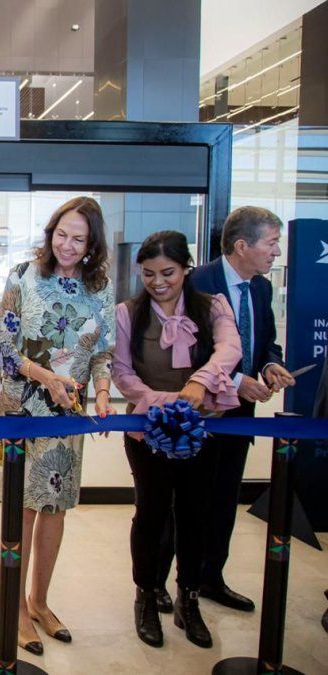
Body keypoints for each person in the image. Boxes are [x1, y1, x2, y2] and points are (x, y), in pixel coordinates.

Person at [0, 196, 115, 655]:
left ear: (91, 244)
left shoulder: (99, 286)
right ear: (51, 234)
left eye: (78, 238)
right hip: (22, 406)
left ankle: (40, 601)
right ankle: (17, 609)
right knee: (22, 506)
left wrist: (102, 394)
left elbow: (103, 352)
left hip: (70, 411)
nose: (67, 244)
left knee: (56, 507)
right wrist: (46, 378)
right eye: (61, 234)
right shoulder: (24, 276)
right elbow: (3, 347)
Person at [112, 230, 242, 649]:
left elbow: (230, 348)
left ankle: (189, 598)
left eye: (168, 272)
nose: (158, 281)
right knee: (150, 512)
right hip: (147, 429)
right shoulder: (128, 313)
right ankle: (146, 595)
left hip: (203, 427)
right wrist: (159, 401)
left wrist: (200, 383)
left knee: (194, 513)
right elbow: (121, 370)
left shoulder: (212, 307)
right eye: (148, 274)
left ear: (186, 268)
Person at [188, 206, 293, 612]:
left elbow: (264, 340)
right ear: (242, 245)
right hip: (200, 412)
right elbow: (184, 354)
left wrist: (269, 365)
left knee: (223, 501)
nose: (276, 253)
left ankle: (212, 577)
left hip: (240, 416)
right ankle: (165, 586)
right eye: (271, 243)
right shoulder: (197, 283)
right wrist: (232, 381)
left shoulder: (261, 289)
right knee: (185, 503)